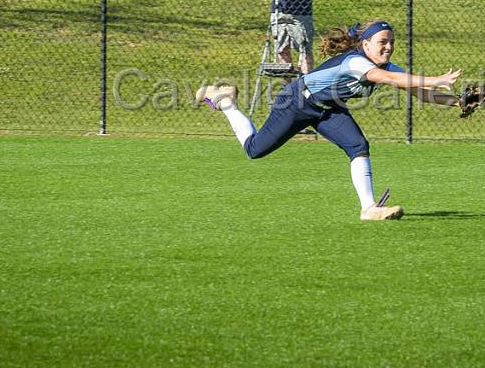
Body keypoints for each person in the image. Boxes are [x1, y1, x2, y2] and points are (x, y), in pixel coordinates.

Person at [195, 20, 466, 221]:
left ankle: (369, 209)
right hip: (297, 102)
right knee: (254, 149)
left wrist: (458, 102)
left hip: (327, 108)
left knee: (358, 146)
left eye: (391, 41)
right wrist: (436, 79)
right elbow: (391, 80)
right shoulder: (356, 62)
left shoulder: (387, 66)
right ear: (366, 44)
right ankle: (225, 101)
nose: (389, 46)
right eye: (383, 41)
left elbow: (422, 94)